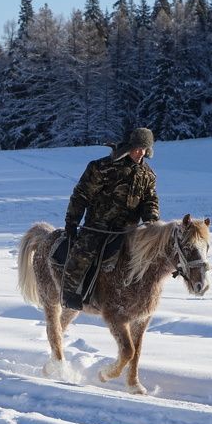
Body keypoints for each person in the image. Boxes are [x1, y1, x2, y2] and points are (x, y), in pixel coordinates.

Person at [61, 127, 160, 310]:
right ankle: (69, 294)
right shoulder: (102, 167)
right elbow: (81, 195)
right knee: (82, 254)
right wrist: (72, 222)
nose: (140, 153)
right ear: (129, 146)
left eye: (144, 149)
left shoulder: (148, 175)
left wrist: (151, 221)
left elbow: (150, 200)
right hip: (98, 225)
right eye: (137, 148)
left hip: (129, 229)